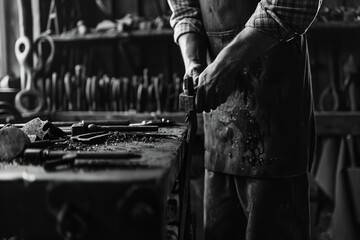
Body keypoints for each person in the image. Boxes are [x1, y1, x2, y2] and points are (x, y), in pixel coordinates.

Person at [167, 0, 322, 239]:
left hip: (276, 115)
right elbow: (185, 9)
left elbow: (295, 4)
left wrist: (224, 65)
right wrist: (194, 64)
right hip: (218, 128)